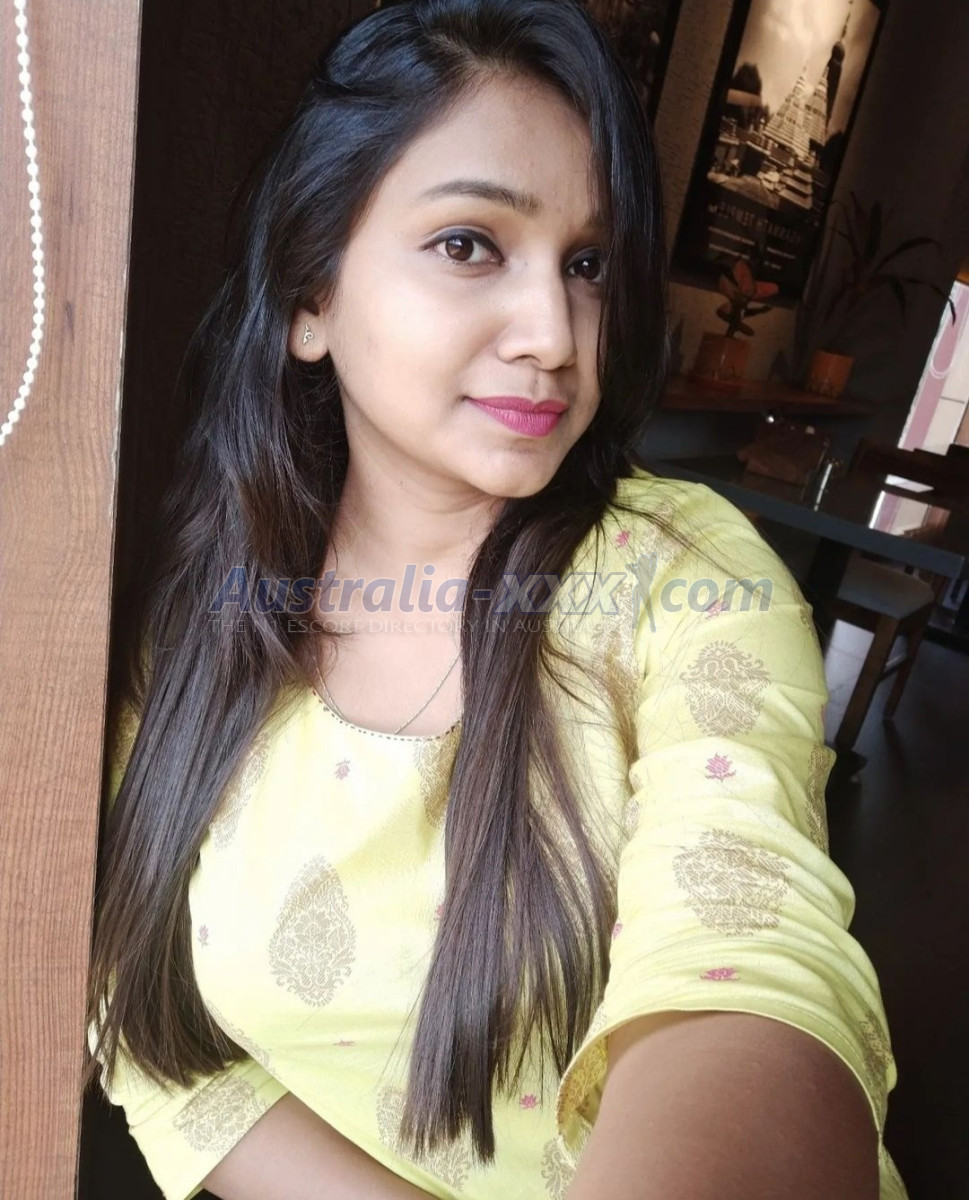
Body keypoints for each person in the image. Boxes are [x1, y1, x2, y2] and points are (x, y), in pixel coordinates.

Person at [84, 1, 908, 1198]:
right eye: (470, 243)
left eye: (588, 265)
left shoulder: (685, 585)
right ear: (311, 294)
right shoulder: (203, 618)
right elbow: (140, 1011)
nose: (555, 335)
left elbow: (750, 952)